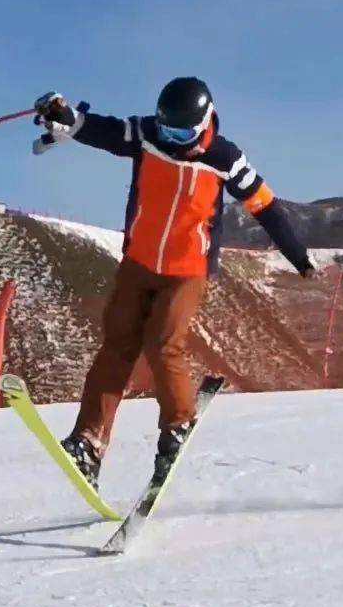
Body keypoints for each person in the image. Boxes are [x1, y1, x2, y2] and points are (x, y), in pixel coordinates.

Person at [33, 78, 314, 487]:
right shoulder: (147, 135)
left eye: (181, 134)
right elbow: (101, 130)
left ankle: (177, 423)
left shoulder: (224, 158)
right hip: (139, 262)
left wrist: (298, 255)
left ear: (203, 125)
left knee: (163, 342)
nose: (172, 140)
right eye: (166, 130)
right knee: (118, 343)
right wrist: (65, 116)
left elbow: (265, 206)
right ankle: (88, 442)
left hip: (186, 270)